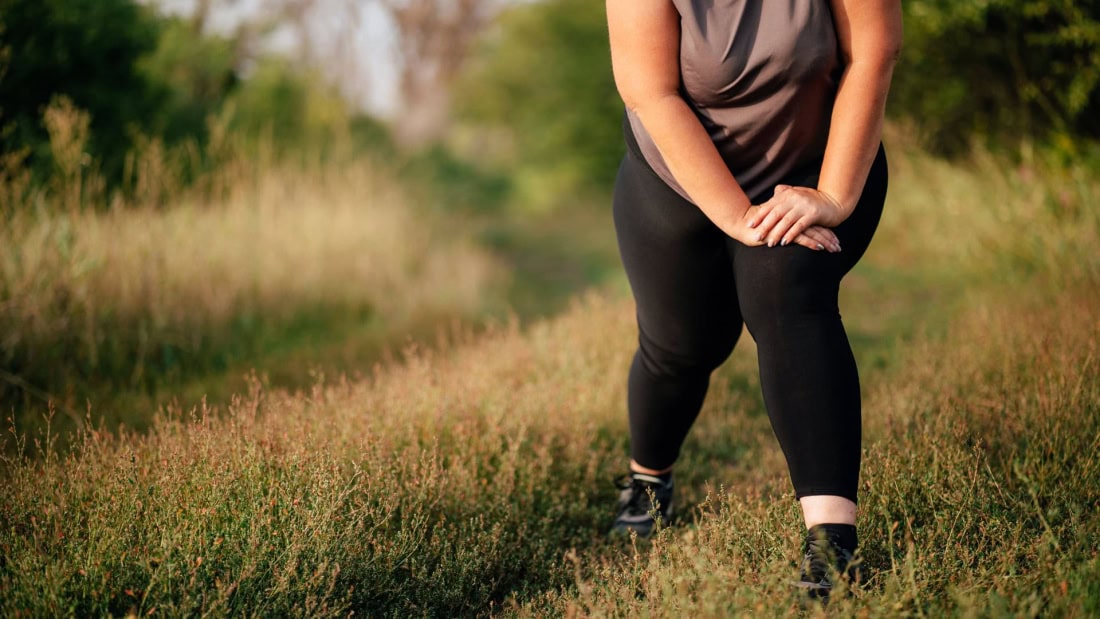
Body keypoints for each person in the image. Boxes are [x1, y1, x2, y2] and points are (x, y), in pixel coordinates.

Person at [605, 0, 902, 596]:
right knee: (683, 348)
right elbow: (651, 93)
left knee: (786, 294)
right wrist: (736, 215)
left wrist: (835, 197)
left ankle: (831, 549)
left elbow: (873, 52)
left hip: (817, 174)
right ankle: (648, 478)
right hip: (679, 184)